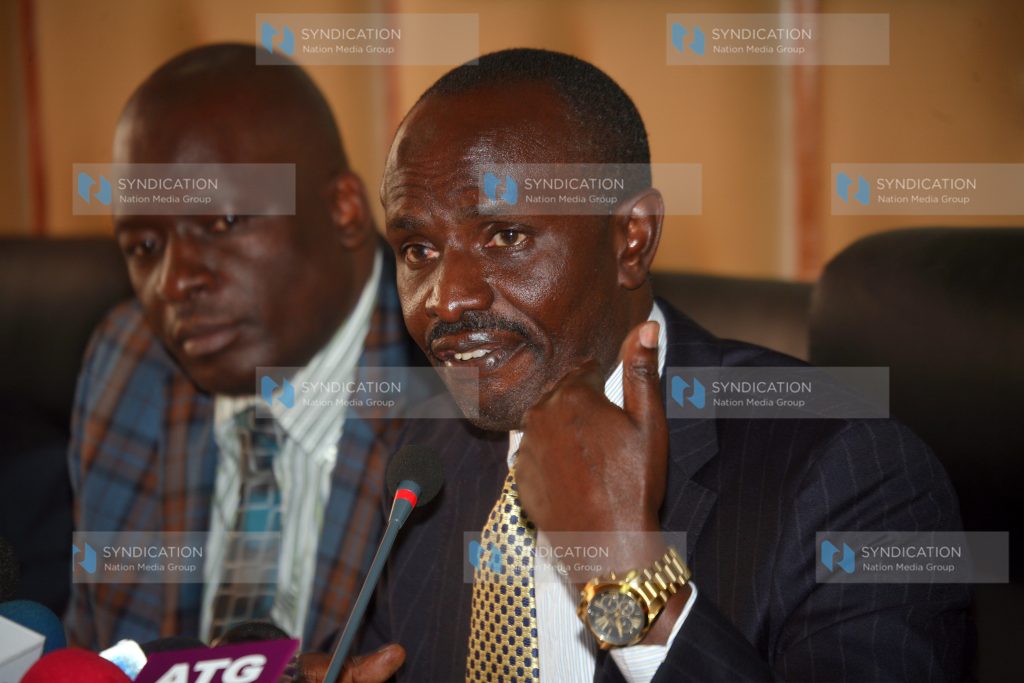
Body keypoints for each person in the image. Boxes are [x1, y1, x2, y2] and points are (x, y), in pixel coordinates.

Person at [332, 48, 971, 683]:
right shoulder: (430, 454)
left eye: (505, 236)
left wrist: (630, 582)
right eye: (418, 248)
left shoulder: (855, 476)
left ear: (631, 236)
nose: (446, 297)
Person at [66, 43, 423, 650]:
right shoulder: (128, 362)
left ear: (344, 211)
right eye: (145, 247)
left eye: (223, 224)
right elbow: (91, 653)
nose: (175, 282)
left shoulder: (452, 388)